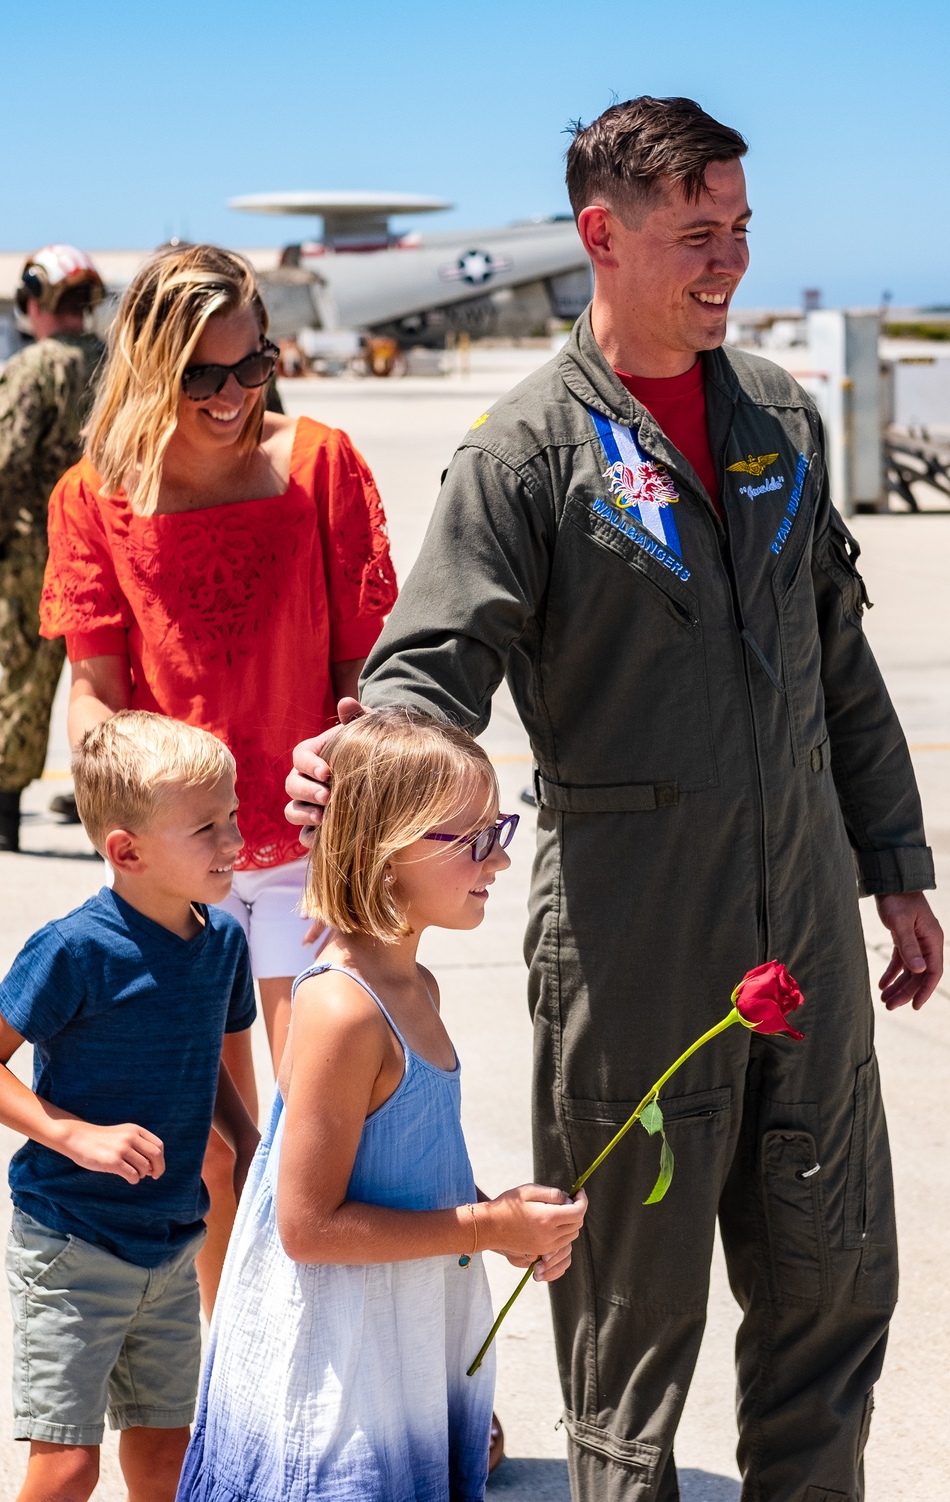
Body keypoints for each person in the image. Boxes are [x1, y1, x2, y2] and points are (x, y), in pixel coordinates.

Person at [286, 97, 945, 1501]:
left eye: (743, 228)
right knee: (630, 1329)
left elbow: (837, 654)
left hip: (808, 933)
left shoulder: (778, 414)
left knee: (836, 1289)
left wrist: (894, 860)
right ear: (605, 232)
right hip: (633, 939)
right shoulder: (527, 453)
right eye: (698, 230)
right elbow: (429, 663)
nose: (732, 260)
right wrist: (366, 756)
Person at [37, 243, 397, 1312]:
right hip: (175, 869)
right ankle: (239, 1378)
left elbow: (361, 672)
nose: (235, 395)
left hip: (304, 853)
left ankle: (394, 1383)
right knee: (210, 1152)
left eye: (255, 366)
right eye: (203, 375)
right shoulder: (92, 494)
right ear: (151, 368)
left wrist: (360, 740)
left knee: (335, 1134)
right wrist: (127, 792)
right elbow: (93, 693)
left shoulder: (323, 463)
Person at [177, 709, 586, 1502]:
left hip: (399, 1350)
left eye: (497, 827)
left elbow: (404, 1172)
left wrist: (502, 1219)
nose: (499, 857)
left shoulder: (415, 987)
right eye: (472, 838)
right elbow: (308, 1227)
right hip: (336, 1387)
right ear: (382, 853)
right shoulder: (343, 1010)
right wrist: (486, 1227)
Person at [0, 711, 260, 1502]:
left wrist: (248, 1137)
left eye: (232, 816)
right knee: (67, 1469)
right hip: (72, 1245)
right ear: (126, 851)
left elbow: (205, 1064)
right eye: (207, 828)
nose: (233, 842)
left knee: (165, 1458)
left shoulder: (223, 942)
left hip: (170, 1246)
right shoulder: (75, 949)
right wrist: (71, 1135)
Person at [0, 245, 106, 851]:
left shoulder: (32, 368)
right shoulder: (112, 362)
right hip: (107, 539)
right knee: (108, 677)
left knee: (27, 674)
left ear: (34, 302)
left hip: (37, 549)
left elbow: (8, 466)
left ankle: (2, 808)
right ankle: (113, 797)